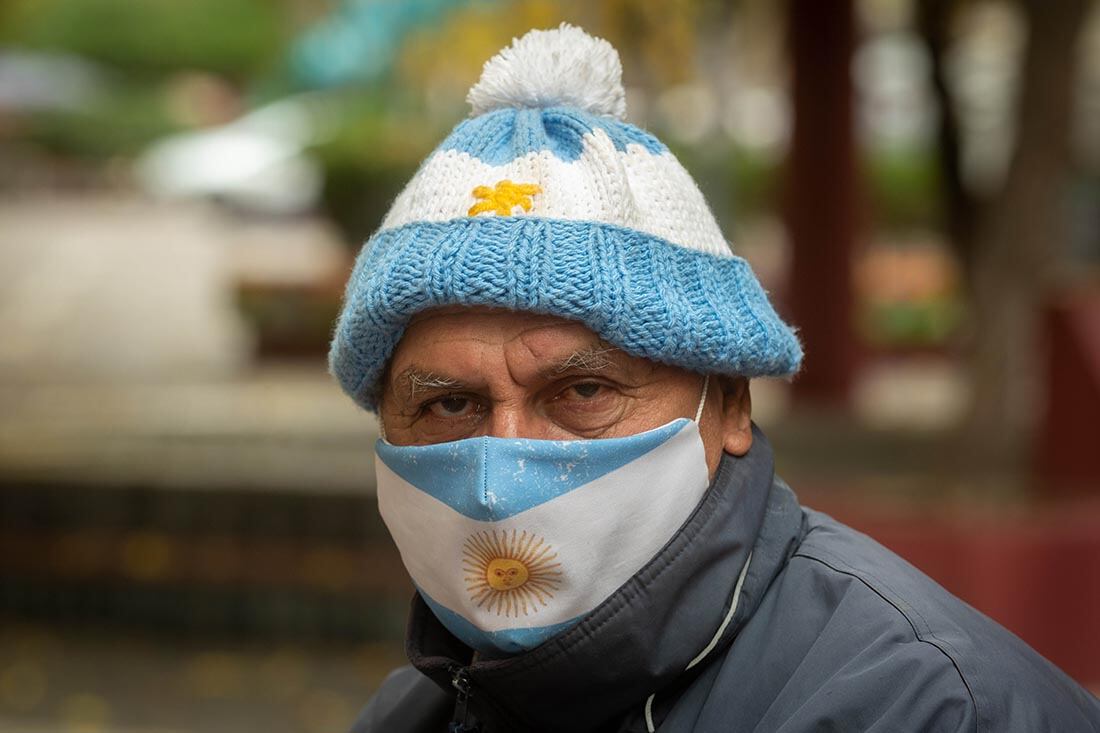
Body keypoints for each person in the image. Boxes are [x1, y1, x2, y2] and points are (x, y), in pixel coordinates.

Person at [329, 24, 1100, 733]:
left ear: (729, 403)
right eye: (448, 402)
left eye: (583, 391)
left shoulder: (918, 706)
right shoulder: (414, 712)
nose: (502, 465)